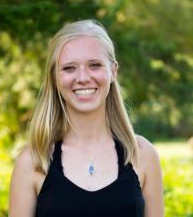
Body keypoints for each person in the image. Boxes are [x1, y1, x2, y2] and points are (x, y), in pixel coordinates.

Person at [9, 19, 164, 217]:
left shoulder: (143, 155)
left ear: (113, 72)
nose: (82, 77)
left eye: (94, 65)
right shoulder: (33, 160)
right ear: (55, 78)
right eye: (69, 68)